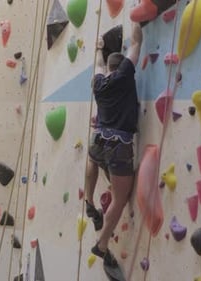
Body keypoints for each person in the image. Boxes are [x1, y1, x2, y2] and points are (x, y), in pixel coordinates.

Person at [84, 21, 143, 269]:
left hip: (98, 140)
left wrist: (99, 47)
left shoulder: (99, 83)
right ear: (122, 67)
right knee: (120, 198)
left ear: (109, 68)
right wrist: (137, 22)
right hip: (119, 145)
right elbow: (137, 43)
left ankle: (88, 201)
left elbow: (98, 64)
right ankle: (102, 243)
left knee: (92, 159)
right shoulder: (125, 76)